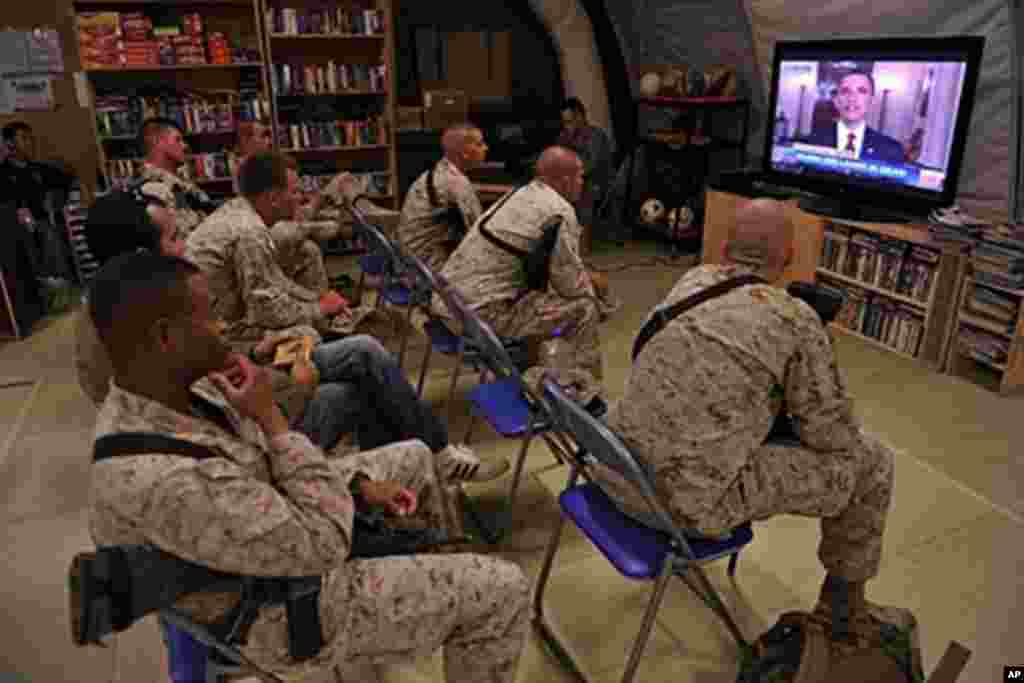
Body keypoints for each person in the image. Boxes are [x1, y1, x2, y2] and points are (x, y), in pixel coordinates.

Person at [86, 250, 529, 682]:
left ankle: (436, 590)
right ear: (167, 338)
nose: (223, 328)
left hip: (273, 550)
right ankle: (452, 603)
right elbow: (323, 542)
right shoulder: (159, 476)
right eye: (209, 316)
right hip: (277, 614)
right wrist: (273, 421)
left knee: (413, 454)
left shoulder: (180, 392)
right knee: (503, 589)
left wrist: (357, 486)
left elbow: (267, 477)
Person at [599, 197, 896, 636]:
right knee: (873, 461)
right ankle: (842, 607)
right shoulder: (795, 318)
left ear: (724, 250)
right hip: (682, 510)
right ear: (790, 258)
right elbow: (829, 433)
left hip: (618, 474)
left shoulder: (691, 282)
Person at [187, 151, 509, 479]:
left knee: (361, 377)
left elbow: (271, 287)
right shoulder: (250, 232)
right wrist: (317, 310)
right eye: (293, 191)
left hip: (230, 352)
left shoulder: (237, 216)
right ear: (271, 197)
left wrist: (316, 300)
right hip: (238, 354)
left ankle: (403, 470)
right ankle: (438, 456)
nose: (299, 198)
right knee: (365, 351)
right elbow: (266, 307)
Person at [439, 145, 605, 406]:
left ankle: (533, 372)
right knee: (585, 307)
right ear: (565, 179)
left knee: (542, 301)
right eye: (580, 176)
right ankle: (580, 395)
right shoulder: (559, 211)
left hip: (448, 302)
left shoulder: (521, 193)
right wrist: (596, 287)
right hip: (478, 317)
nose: (583, 183)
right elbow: (571, 285)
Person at [396, 123, 487, 271]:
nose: (485, 148)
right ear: (465, 152)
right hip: (426, 268)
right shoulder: (457, 183)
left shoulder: (438, 172)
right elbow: (479, 233)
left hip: (408, 257)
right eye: (480, 144)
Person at [133, 117, 217, 236]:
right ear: (158, 141)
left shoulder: (178, 184)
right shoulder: (151, 188)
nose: (185, 146)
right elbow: (184, 233)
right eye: (178, 139)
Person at [803, 71, 905, 164]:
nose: (852, 98)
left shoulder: (891, 150)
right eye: (845, 91)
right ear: (836, 101)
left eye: (861, 91)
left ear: (872, 100)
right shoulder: (812, 142)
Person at [556, 98, 613, 242]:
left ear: (580, 117)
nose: (566, 127)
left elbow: (590, 167)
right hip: (572, 181)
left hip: (596, 183)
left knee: (585, 189)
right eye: (564, 123)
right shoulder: (564, 137)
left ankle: (583, 242)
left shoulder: (596, 136)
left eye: (569, 122)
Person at [0, 121, 74, 223]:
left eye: (31, 139)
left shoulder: (40, 169)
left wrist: (56, 198)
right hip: (20, 232)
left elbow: (69, 182)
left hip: (51, 226)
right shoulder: (3, 174)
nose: (30, 143)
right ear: (10, 143)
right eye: (24, 138)